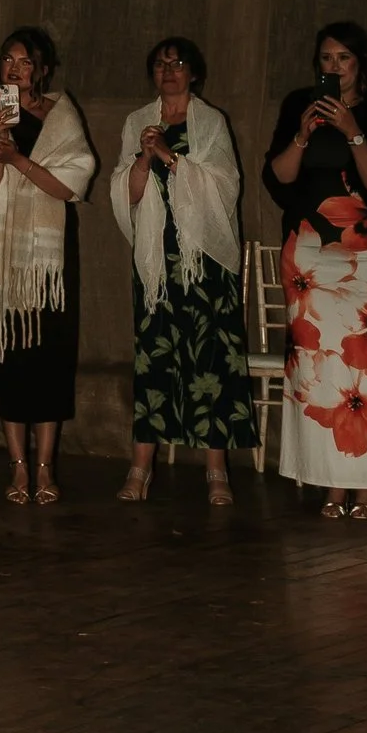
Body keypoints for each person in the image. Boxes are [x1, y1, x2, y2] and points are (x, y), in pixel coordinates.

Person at [263, 21, 367, 519]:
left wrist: (354, 133)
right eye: (326, 59)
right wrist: (303, 135)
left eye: (343, 59)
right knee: (318, 367)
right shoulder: (298, 105)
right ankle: (331, 485)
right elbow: (279, 178)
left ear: (361, 64)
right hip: (310, 250)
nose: (334, 68)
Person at [111, 38, 255, 505]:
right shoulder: (138, 121)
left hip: (204, 259)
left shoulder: (210, 122)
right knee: (153, 357)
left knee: (210, 359)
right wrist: (144, 156)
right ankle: (140, 466)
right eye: (159, 64)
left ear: (194, 72)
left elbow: (225, 188)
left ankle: (216, 471)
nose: (168, 71)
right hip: (157, 258)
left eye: (177, 63)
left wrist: (172, 158)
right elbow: (126, 192)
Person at [0, 26, 94, 506]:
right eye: (7, 60)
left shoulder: (62, 115)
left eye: (24, 61)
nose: (14, 69)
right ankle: (18, 466)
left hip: (47, 263)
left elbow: (69, 186)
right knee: (7, 360)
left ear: (42, 69)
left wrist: (18, 158)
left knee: (48, 358)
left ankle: (46, 467)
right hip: (1, 253)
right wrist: (0, 146)